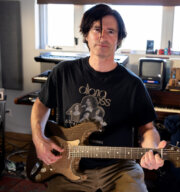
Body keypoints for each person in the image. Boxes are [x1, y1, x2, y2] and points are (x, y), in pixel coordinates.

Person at [31, 3, 166, 192]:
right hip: (66, 165)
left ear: (118, 39)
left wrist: (151, 148)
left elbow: (147, 128)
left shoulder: (133, 85)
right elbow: (40, 105)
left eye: (111, 31)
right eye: (97, 29)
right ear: (86, 34)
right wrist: (39, 139)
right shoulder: (63, 72)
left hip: (118, 168)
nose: (103, 36)